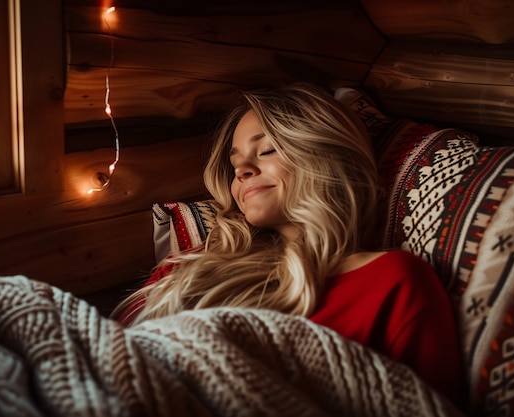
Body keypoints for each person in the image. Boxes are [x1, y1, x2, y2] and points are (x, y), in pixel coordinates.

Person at [114, 83, 466, 408]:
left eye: (266, 150)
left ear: (328, 157)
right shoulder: (190, 268)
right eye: (235, 163)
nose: (242, 170)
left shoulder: (393, 281)